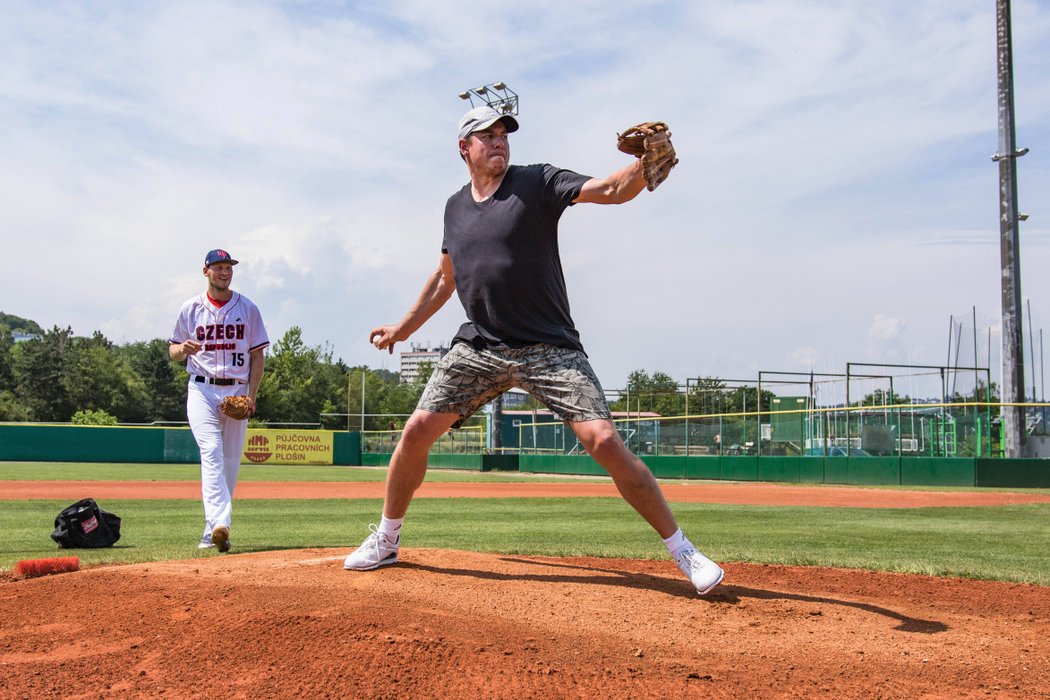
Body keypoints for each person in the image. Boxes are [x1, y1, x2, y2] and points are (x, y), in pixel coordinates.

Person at [343, 106, 724, 596]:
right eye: (488, 135)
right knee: (416, 432)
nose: (499, 141)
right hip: (480, 345)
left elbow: (610, 190)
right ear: (465, 148)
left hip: (549, 345)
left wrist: (642, 165)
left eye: (504, 134)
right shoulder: (454, 207)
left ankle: (684, 550)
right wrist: (403, 327)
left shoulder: (537, 181)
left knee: (604, 442)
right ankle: (387, 539)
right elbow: (445, 277)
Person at [169, 249, 269, 553]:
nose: (225, 272)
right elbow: (173, 351)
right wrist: (182, 349)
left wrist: (251, 397)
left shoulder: (248, 308)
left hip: (237, 389)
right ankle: (220, 524)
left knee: (228, 463)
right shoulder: (190, 308)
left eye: (228, 267)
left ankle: (210, 530)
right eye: (219, 267)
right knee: (211, 451)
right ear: (206, 271)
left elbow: (258, 356)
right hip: (201, 389)